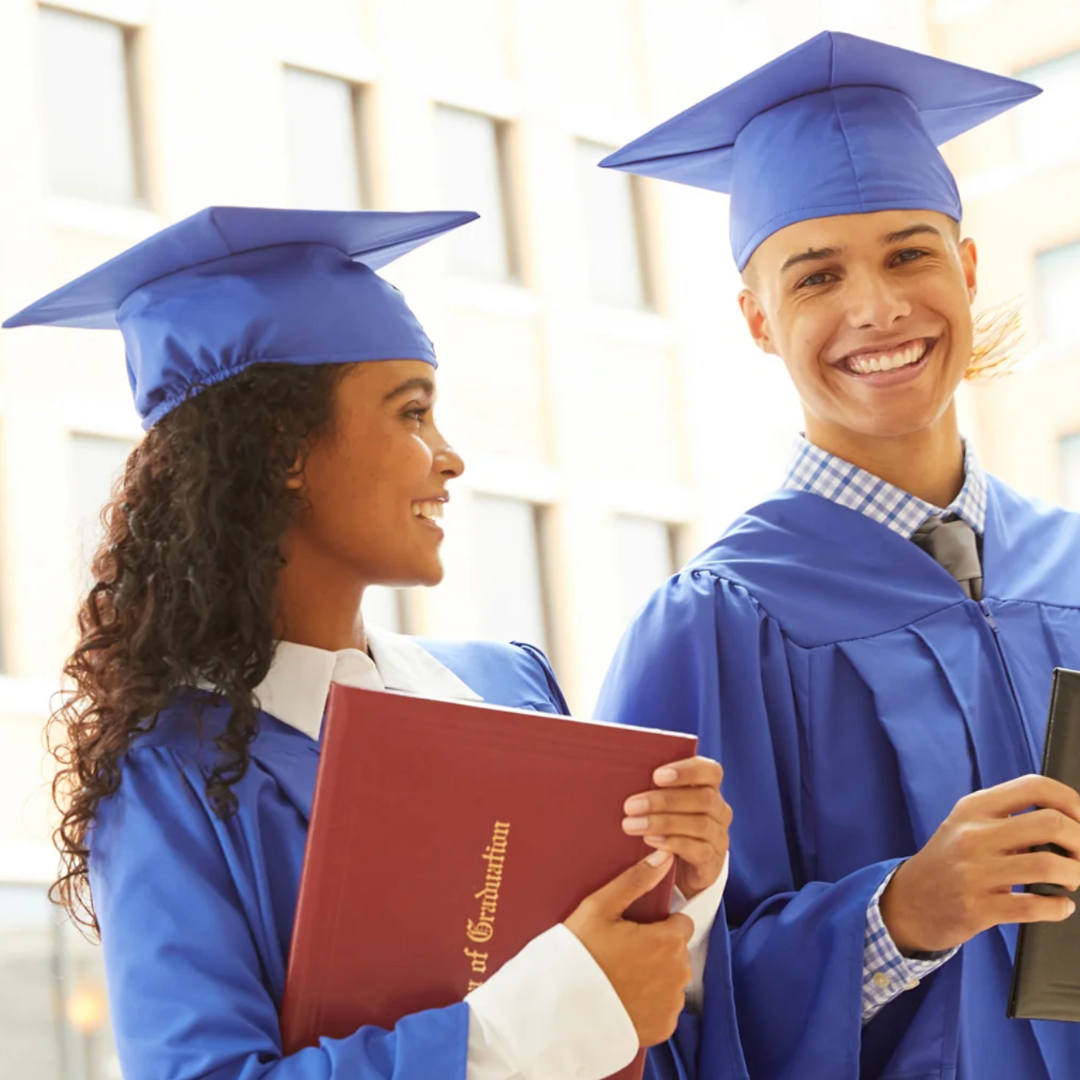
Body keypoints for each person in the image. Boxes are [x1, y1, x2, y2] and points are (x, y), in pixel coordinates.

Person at [3, 206, 732, 1080]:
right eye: (412, 412)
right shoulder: (174, 775)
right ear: (284, 450)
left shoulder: (508, 688)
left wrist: (678, 887)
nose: (450, 456)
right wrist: (539, 1020)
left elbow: (656, 1027)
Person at [594, 30, 1080, 1080]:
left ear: (970, 266)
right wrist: (899, 916)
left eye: (911, 252)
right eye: (817, 276)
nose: (877, 307)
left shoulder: (1073, 565)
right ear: (758, 320)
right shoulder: (716, 624)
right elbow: (651, 1004)